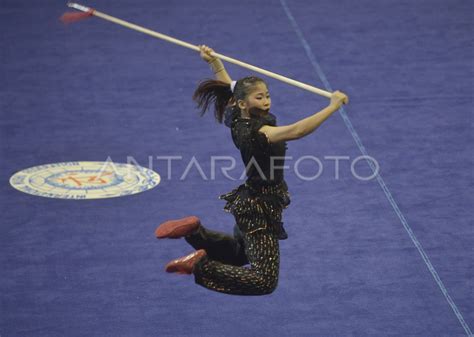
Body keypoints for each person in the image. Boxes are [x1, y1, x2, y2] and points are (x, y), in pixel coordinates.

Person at [155, 45, 348, 295]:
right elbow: (298, 130)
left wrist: (214, 63)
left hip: (251, 201)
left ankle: (195, 233)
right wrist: (332, 106)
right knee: (263, 280)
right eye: (259, 97)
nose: (266, 101)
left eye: (267, 95)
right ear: (244, 103)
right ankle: (199, 265)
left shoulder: (237, 117)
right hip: (260, 210)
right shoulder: (258, 133)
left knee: (239, 253)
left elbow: (229, 87)